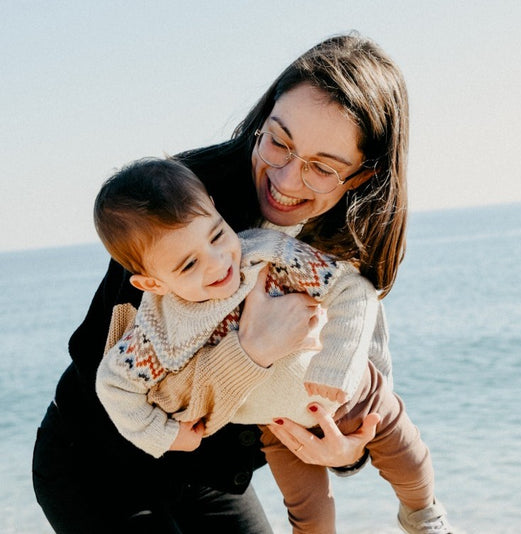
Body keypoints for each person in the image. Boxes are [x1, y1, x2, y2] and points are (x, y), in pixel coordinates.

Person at [31, 31, 447, 533]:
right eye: (279, 141)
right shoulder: (177, 205)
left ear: (361, 176)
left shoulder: (350, 233)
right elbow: (129, 383)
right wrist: (251, 350)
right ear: (264, 115)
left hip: (211, 474)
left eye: (322, 168)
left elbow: (358, 358)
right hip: (98, 462)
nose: (288, 179)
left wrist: (347, 447)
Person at [93, 156, 454, 534]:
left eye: (216, 235)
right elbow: (115, 386)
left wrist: (339, 361)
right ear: (153, 285)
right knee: (308, 513)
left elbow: (350, 288)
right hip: (280, 429)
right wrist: (166, 435)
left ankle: (424, 516)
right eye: (188, 265)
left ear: (217, 211)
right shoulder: (159, 330)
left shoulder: (266, 252)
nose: (217, 263)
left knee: (408, 460)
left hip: (357, 393)